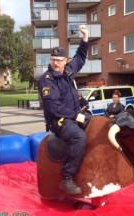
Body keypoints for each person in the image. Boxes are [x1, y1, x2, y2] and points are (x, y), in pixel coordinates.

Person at [38, 25, 89, 195]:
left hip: (74, 115)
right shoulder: (46, 79)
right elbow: (53, 106)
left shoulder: (68, 71)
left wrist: (85, 38)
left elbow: (80, 58)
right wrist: (76, 116)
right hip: (57, 120)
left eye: (59, 59)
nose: (55, 62)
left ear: (65, 61)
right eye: (53, 59)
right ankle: (67, 177)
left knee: (99, 124)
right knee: (79, 136)